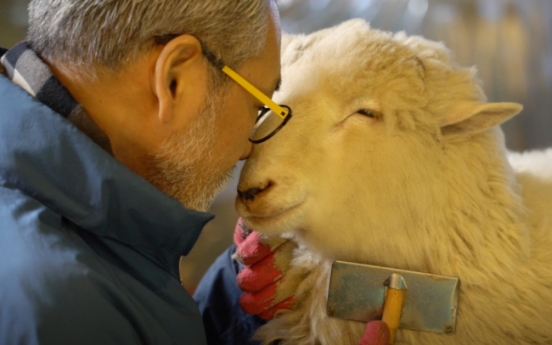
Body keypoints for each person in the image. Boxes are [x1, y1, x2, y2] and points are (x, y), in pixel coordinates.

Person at [0, 0, 389, 344]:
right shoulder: (62, 311)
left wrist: (230, 311)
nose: (248, 149)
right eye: (258, 105)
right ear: (175, 80)